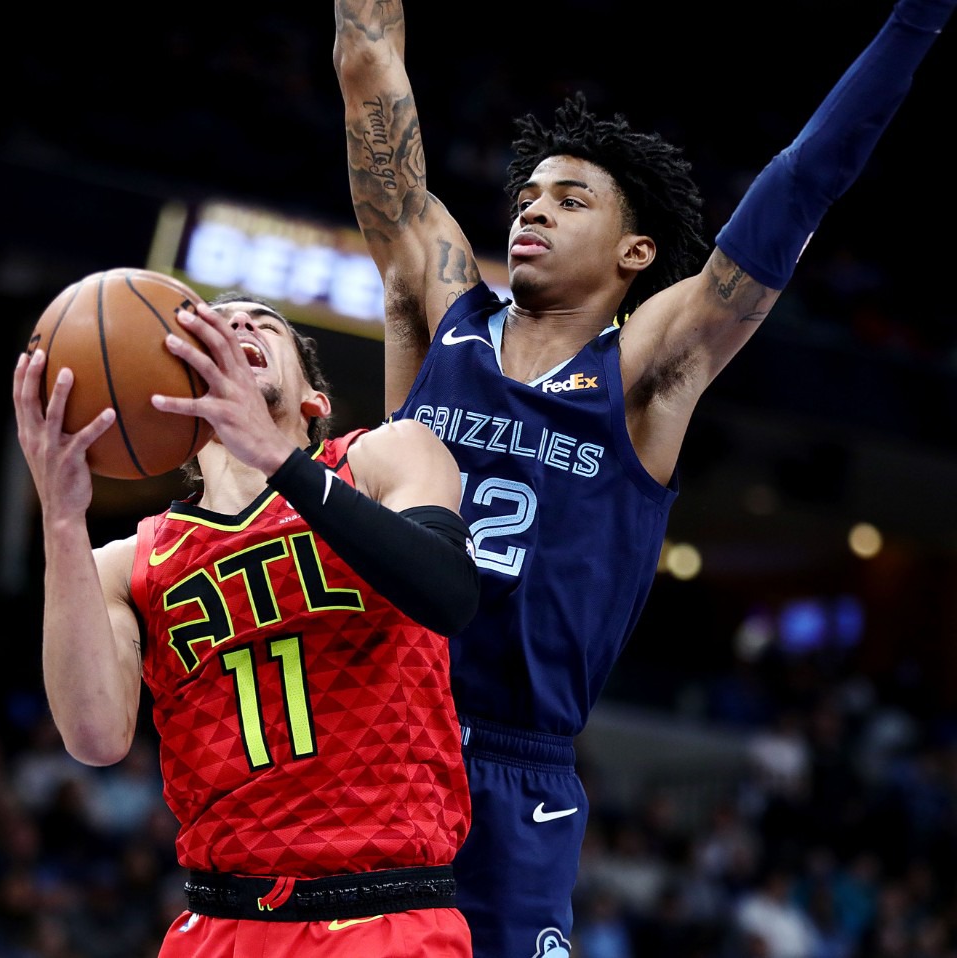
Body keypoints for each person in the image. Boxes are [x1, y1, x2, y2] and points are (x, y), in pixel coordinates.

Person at [332, 0, 954, 955]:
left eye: (571, 199)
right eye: (530, 193)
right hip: (378, 731)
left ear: (637, 255)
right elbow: (369, 66)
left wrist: (914, 20)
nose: (533, 207)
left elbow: (802, 182)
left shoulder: (643, 373)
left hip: (514, 768)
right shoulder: (437, 303)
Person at [12, 289, 482, 957]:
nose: (236, 324)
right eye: (214, 324)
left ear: (314, 401)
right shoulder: (129, 564)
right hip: (220, 925)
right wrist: (61, 518)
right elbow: (93, 737)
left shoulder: (383, 459)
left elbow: (449, 596)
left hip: (383, 913)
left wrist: (276, 458)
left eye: (262, 324)